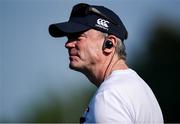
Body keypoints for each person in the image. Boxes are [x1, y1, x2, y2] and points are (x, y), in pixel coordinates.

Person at [49, 3, 163, 123]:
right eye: (68, 38)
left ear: (109, 44)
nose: (68, 44)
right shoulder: (140, 89)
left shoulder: (109, 97)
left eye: (78, 37)